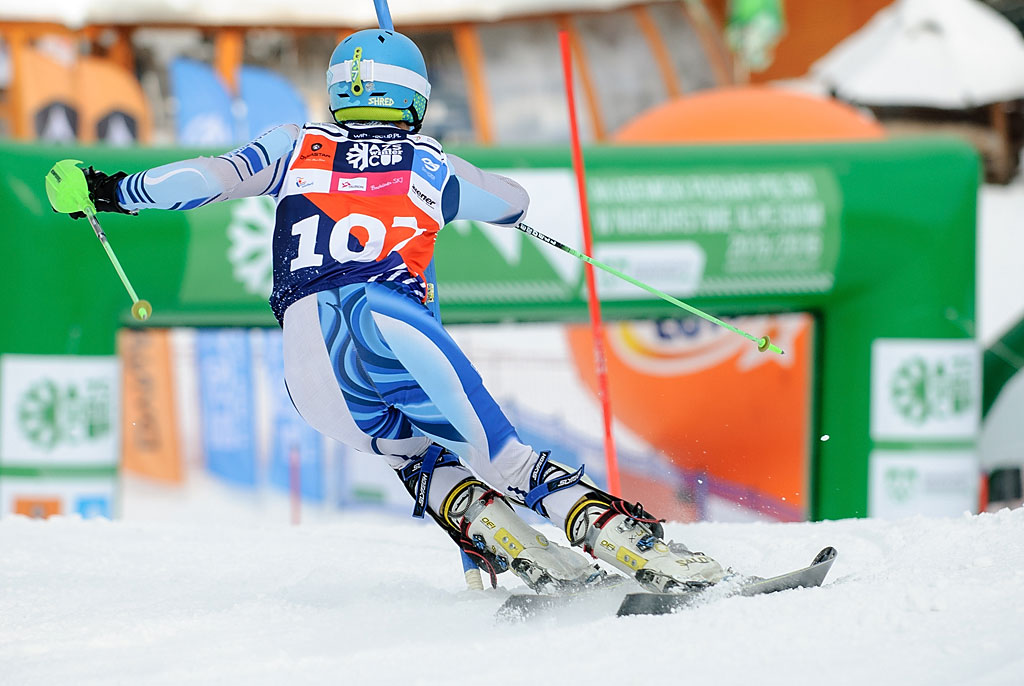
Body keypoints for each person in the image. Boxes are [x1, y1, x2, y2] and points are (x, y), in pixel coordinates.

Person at [67, 29, 725, 593]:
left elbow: (206, 178)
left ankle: (521, 548)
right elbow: (511, 200)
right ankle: (644, 551)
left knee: (415, 457)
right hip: (386, 321)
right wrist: (433, 171)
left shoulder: (291, 144)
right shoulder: (428, 161)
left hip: (307, 357)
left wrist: (112, 191)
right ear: (413, 96)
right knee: (507, 458)